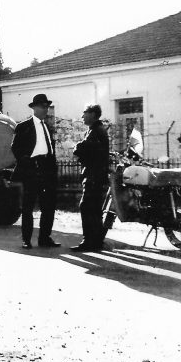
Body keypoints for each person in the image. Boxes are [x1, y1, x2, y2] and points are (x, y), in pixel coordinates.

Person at [11, 93, 60, 249]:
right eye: (42, 107)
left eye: (47, 107)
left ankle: (45, 238)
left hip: (46, 169)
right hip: (31, 169)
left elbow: (50, 150)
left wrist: (53, 170)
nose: (46, 109)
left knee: (48, 206)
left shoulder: (47, 127)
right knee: (28, 207)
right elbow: (15, 148)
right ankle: (26, 240)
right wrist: (27, 163)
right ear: (34, 108)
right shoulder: (23, 126)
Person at [71, 103, 109, 252]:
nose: (82, 116)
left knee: (86, 207)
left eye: (85, 112)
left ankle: (88, 241)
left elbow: (83, 149)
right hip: (96, 175)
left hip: (93, 175)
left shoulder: (95, 131)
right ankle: (97, 241)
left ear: (92, 114)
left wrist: (77, 148)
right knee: (94, 209)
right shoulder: (96, 130)